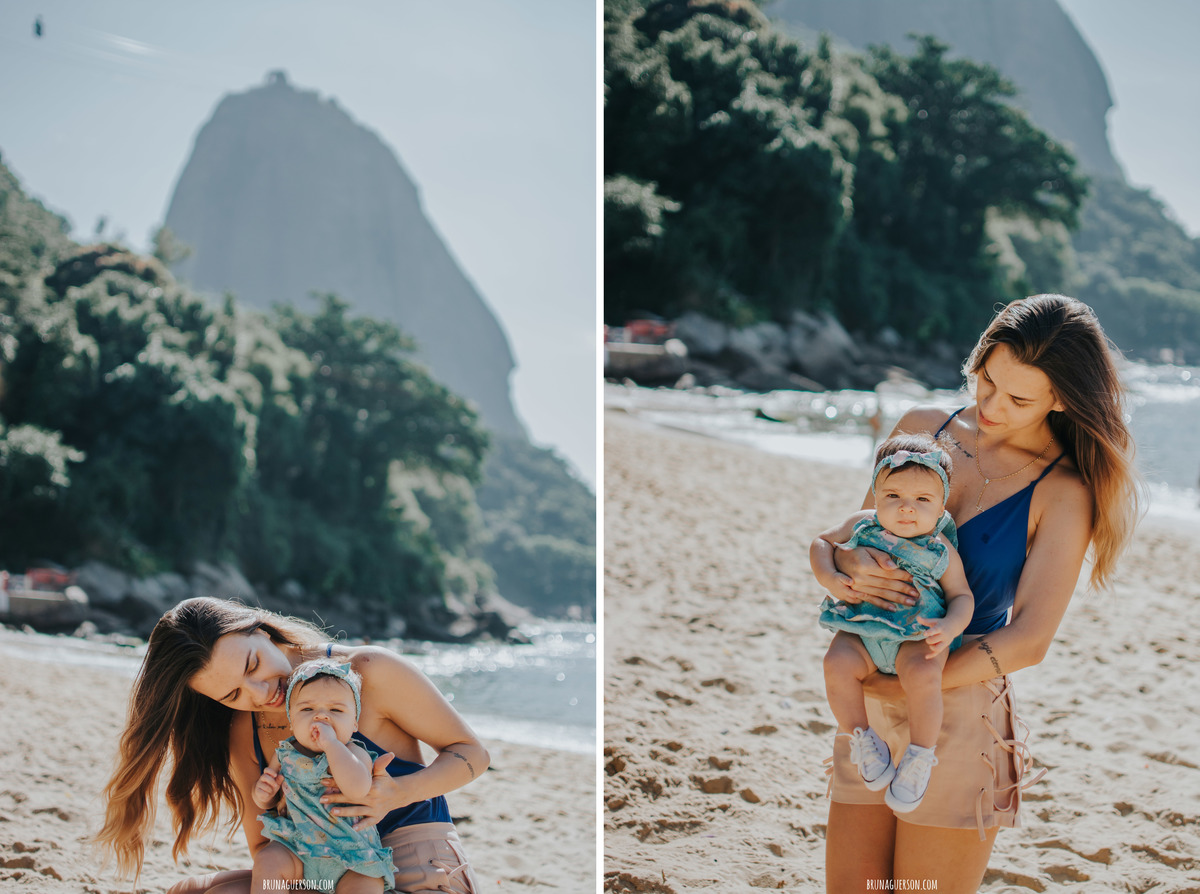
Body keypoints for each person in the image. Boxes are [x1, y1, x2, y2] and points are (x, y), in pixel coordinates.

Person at [811, 295, 1141, 893]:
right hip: (867, 699)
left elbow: (1031, 639)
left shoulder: (1063, 490)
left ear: (1061, 399)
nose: (990, 406)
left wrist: (920, 679)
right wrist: (844, 564)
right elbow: (865, 531)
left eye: (1018, 399)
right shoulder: (919, 428)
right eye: (987, 381)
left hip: (958, 710)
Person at [96, 597, 486, 893]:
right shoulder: (242, 731)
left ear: (260, 631)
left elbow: (472, 752)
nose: (260, 692)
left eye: (253, 665)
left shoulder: (367, 671)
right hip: (322, 876)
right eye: (233, 694)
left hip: (415, 862)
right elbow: (266, 848)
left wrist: (398, 793)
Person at [818, 434, 974, 814]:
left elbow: (962, 597)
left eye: (922, 500)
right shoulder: (861, 524)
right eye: (893, 497)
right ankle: (862, 736)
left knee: (923, 675)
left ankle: (920, 755)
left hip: (917, 635)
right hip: (864, 628)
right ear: (875, 494)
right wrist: (827, 576)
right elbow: (822, 542)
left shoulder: (940, 548)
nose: (907, 509)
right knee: (835, 664)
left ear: (940, 509)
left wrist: (951, 627)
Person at [252, 659, 395, 892]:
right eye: (307, 709)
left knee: (365, 887)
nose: (321, 717)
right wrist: (263, 794)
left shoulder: (355, 753)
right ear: (291, 720)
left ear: (355, 722)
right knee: (267, 860)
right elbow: (270, 800)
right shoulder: (284, 753)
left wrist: (331, 745)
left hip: (353, 858)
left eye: (336, 710)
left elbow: (357, 788)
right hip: (298, 849)